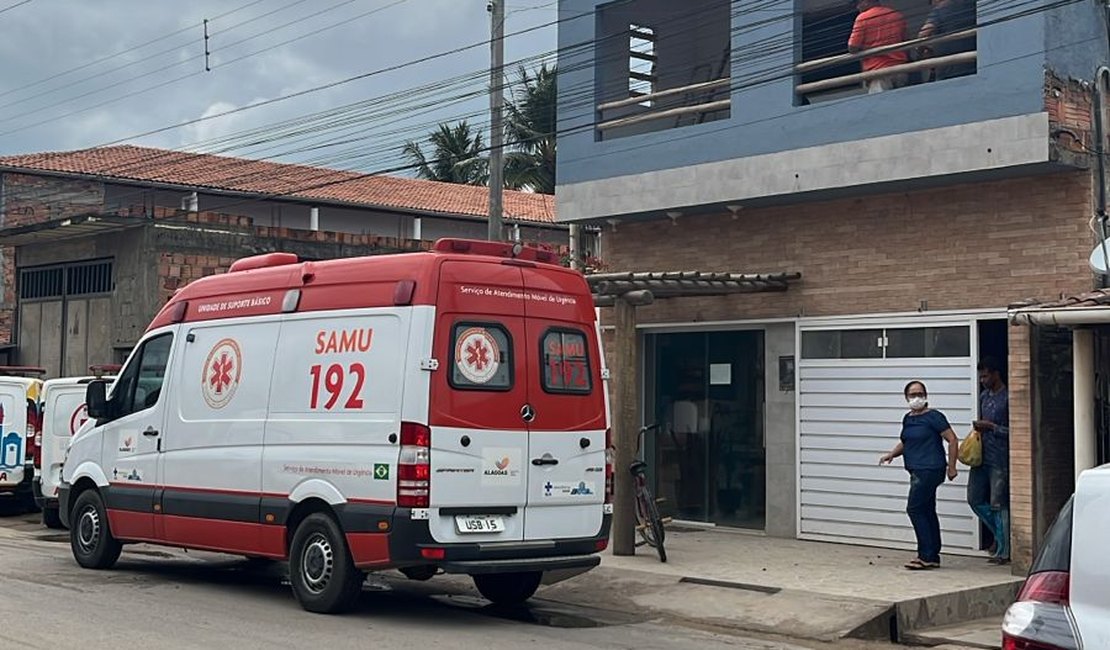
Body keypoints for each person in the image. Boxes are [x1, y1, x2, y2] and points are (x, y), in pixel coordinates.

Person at [880, 380, 959, 570]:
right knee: (927, 509)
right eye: (912, 394)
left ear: (926, 396)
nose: (916, 398)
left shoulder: (934, 417)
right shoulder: (908, 418)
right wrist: (892, 454)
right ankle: (932, 555)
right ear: (906, 397)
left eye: (920, 394)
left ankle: (925, 554)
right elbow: (906, 442)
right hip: (915, 470)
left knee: (914, 509)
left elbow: (952, 439)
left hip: (930, 469)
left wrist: (952, 467)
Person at [969, 357, 1010, 564]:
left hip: (1000, 458)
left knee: (998, 503)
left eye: (985, 375)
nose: (983, 380)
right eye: (981, 376)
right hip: (981, 456)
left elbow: (1018, 431)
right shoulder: (984, 397)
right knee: (974, 499)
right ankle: (1000, 535)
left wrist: (992, 427)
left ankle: (1004, 549)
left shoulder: (1007, 398)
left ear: (996, 374)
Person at [848, 0, 909, 94]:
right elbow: (905, 41)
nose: (857, 7)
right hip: (900, 68)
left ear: (866, 2)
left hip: (877, 70)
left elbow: (852, 47)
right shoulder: (896, 15)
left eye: (858, 3)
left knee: (881, 104)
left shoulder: (863, 18)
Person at [917, 0, 977, 81]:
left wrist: (920, 49)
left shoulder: (941, 9)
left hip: (948, 67)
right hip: (973, 64)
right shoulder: (972, 4)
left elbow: (924, 33)